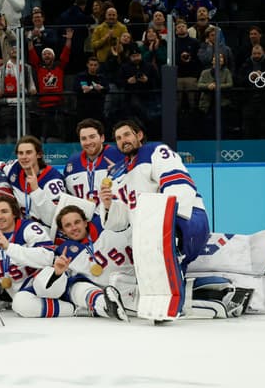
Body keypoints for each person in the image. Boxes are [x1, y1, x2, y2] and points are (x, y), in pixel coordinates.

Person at [99, 120, 210, 319]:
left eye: (127, 135)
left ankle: (173, 306)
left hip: (185, 219)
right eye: (118, 138)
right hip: (152, 230)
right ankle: (207, 300)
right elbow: (119, 221)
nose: (123, 140)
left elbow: (178, 185)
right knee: (157, 278)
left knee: (167, 267)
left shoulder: (155, 151)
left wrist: (170, 223)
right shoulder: (119, 174)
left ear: (139, 135)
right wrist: (108, 204)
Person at [0, 196, 76, 318]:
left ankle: (73, 305)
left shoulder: (29, 228)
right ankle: (73, 309)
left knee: (42, 285)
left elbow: (47, 257)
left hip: (47, 281)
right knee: (19, 304)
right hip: (24, 293)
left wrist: (10, 248)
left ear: (14, 213)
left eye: (4, 211)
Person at [52, 204, 130, 320]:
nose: (74, 227)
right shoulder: (64, 252)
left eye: (77, 222)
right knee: (74, 286)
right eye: (68, 225)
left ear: (85, 222)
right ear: (62, 231)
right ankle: (106, 306)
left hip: (134, 280)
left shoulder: (105, 224)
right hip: (108, 292)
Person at [2, 135, 66, 227]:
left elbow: (54, 220)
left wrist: (36, 190)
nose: (24, 157)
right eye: (20, 153)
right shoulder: (14, 168)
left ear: (39, 155)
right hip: (21, 230)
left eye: (28, 152)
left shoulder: (53, 179)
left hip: (46, 232)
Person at [63, 118, 124, 204]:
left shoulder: (119, 156)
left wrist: (122, 172)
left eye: (92, 137)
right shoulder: (72, 163)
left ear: (102, 138)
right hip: (85, 216)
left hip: (113, 214)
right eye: (83, 139)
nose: (88, 142)